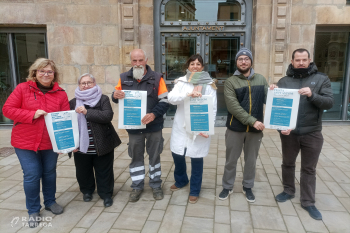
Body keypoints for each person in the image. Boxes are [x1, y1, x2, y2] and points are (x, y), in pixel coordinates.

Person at [2, 58, 70, 228]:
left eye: (49, 71)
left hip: (49, 142)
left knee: (49, 172)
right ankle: (33, 210)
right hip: (25, 141)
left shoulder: (60, 93)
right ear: (35, 72)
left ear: (54, 74)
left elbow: (65, 118)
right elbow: (7, 110)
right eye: (42, 71)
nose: (46, 74)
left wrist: (65, 142)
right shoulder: (22, 88)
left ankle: (50, 201)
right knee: (32, 175)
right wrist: (31, 114)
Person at [270, 48, 333, 220]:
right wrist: (274, 91)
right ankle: (288, 190)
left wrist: (312, 95)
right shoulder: (284, 81)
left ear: (310, 60)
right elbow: (277, 110)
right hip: (289, 133)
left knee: (308, 168)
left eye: (304, 59)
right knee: (287, 163)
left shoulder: (321, 79)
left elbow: (329, 103)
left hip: (312, 132)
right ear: (292, 62)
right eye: (297, 60)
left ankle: (308, 201)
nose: (301, 63)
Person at [111, 49, 169, 202]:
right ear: (131, 61)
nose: (138, 63)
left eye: (140, 60)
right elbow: (116, 97)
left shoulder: (157, 78)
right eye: (134, 61)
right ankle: (137, 186)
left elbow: (165, 101)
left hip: (154, 126)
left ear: (146, 60)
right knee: (135, 157)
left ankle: (156, 185)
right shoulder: (123, 78)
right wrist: (114, 95)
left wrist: (154, 114)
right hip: (134, 127)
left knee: (155, 156)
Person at [218, 48, 268, 202]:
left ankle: (248, 186)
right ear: (236, 62)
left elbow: (270, 101)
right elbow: (233, 107)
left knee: (251, 161)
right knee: (231, 160)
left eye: (246, 58)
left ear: (251, 61)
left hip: (255, 130)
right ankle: (227, 186)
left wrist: (276, 93)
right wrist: (252, 121)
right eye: (240, 59)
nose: (244, 61)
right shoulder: (230, 82)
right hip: (235, 128)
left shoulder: (261, 79)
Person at [168, 54, 217, 204]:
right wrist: (187, 94)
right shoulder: (182, 82)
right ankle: (181, 180)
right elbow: (171, 98)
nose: (195, 66)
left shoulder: (209, 84)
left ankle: (195, 189)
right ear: (187, 66)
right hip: (181, 127)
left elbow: (213, 107)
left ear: (202, 67)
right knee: (177, 154)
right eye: (192, 64)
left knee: (196, 158)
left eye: (198, 64)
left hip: (199, 126)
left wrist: (207, 128)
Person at [69, 73, 121, 208]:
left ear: (94, 83)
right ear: (79, 85)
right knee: (83, 170)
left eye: (89, 82)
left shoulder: (102, 99)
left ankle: (106, 194)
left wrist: (87, 112)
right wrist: (69, 145)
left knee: (104, 170)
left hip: (102, 142)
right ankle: (87, 191)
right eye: (83, 83)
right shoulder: (73, 102)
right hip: (81, 146)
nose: (86, 85)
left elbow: (107, 116)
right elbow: (68, 124)